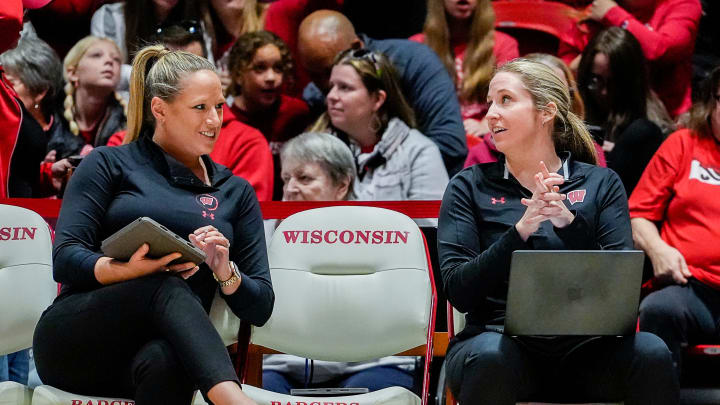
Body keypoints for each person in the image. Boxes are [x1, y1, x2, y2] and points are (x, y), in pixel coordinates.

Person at [32, 45, 273, 405]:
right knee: (163, 284)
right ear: (159, 108)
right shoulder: (107, 163)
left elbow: (261, 307)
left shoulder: (234, 191)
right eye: (200, 108)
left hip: (156, 354)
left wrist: (226, 271)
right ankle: (231, 399)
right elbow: (65, 258)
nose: (214, 120)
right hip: (78, 340)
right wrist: (127, 270)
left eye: (219, 107)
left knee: (168, 361)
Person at [438, 58, 678, 404]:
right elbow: (459, 291)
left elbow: (620, 283)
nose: (491, 113)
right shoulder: (468, 186)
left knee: (652, 352)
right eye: (490, 101)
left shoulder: (600, 183)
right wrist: (519, 231)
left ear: (546, 112)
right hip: (498, 342)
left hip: (588, 349)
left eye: (505, 99)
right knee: (490, 356)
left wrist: (569, 225)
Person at [297, 10, 467, 176]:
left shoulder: (414, 63)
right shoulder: (315, 95)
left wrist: (372, 179)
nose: (326, 86)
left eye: (329, 71)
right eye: (313, 74)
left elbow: (450, 145)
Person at [633, 65, 720, 378]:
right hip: (692, 287)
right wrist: (658, 250)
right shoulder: (684, 144)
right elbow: (638, 214)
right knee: (658, 309)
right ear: (711, 103)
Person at [311, 48, 449, 201]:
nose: (331, 96)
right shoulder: (315, 151)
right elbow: (290, 220)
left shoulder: (419, 152)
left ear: (377, 99)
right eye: (331, 87)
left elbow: (432, 223)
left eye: (345, 87)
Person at [560, 0, 702, 118]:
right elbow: (564, 73)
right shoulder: (596, 10)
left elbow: (662, 51)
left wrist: (614, 16)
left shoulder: (682, 4)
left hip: (664, 119)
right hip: (595, 115)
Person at [577, 27, 672, 194]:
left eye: (613, 83)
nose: (604, 92)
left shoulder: (649, 128)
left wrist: (616, 156)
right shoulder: (576, 108)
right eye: (596, 80)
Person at [410, 0, 519, 138]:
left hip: (485, 134)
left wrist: (486, 124)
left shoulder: (504, 44)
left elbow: (509, 97)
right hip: (434, 134)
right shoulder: (417, 46)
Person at [226, 30, 311, 200]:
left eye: (278, 68)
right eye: (260, 68)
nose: (271, 77)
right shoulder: (225, 121)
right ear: (237, 74)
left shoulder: (296, 114)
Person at [0, 35, 66, 197]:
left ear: (40, 91)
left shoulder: (68, 143)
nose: (7, 92)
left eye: (10, 84)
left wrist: (47, 176)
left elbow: (14, 177)